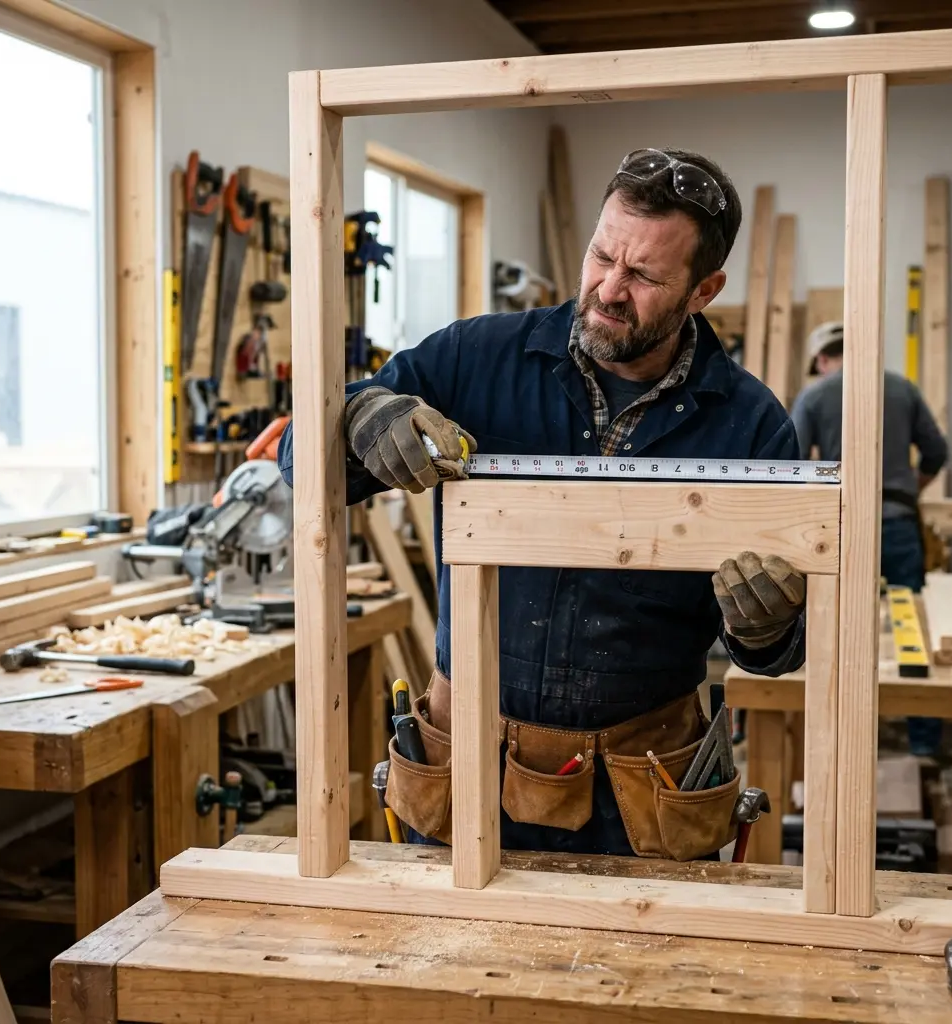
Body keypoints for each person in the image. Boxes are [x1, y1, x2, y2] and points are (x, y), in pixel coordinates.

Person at [277, 147, 808, 858]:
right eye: (602, 257)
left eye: (645, 275)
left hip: (640, 795)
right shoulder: (474, 358)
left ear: (703, 291)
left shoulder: (750, 424)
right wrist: (357, 418)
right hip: (465, 763)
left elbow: (780, 655)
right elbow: (297, 464)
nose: (609, 290)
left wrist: (767, 622)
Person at [791, 321, 949, 758]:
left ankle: (839, 741)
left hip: (842, 530)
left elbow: (793, 465)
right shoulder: (902, 389)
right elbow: (937, 453)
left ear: (822, 359)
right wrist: (907, 490)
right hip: (897, 524)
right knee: (910, 628)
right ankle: (923, 742)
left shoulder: (816, 395)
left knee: (836, 630)